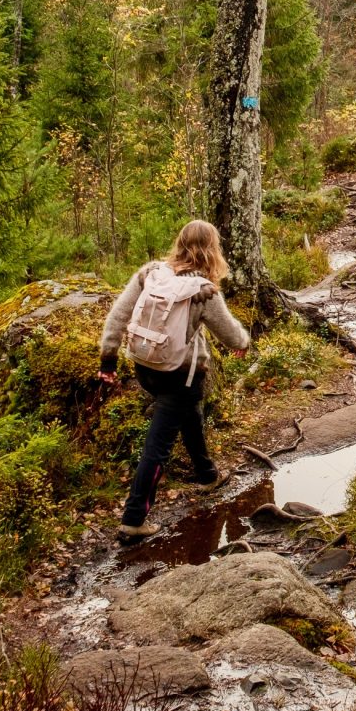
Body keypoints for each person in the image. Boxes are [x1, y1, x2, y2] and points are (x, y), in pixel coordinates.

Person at [99, 220, 251, 544]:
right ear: (212, 250)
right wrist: (243, 343)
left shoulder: (151, 273)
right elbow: (230, 332)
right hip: (180, 374)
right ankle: (133, 519)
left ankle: (207, 474)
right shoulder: (203, 290)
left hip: (144, 366)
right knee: (158, 445)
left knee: (187, 411)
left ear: (179, 243)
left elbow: (118, 315)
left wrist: (108, 359)